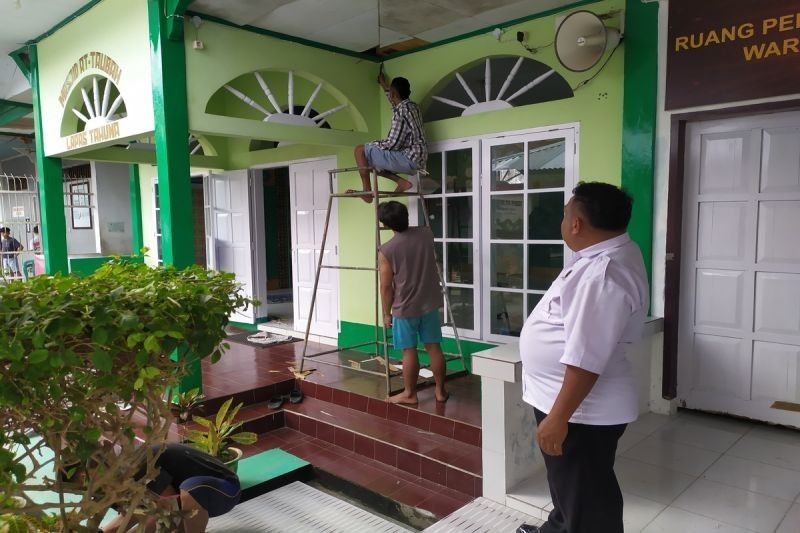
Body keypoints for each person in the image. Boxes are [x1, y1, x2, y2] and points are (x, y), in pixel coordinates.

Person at [516, 182, 649, 533]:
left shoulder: (603, 274)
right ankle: (557, 528)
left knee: (588, 499)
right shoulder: (605, 255)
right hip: (570, 403)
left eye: (564, 214)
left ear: (576, 224)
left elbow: (586, 358)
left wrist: (559, 418)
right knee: (570, 486)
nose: (562, 221)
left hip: (580, 412)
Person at [378, 201, 448, 404]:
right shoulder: (426, 234)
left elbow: (386, 286)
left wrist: (386, 313)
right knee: (434, 347)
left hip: (405, 307)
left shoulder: (387, 250)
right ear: (407, 216)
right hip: (430, 304)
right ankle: (440, 392)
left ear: (386, 224)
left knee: (408, 351)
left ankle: (409, 394)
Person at [102, 443, 240, 533]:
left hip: (226, 489)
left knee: (187, 492)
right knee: (151, 509)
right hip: (194, 498)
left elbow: (171, 508)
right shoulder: (124, 478)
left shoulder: (138, 468)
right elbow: (127, 516)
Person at [350, 73, 427, 203]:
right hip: (418, 158)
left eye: (390, 93)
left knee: (360, 150)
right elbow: (395, 101)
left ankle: (367, 192)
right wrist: (384, 85)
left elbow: (393, 143)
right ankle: (401, 182)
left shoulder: (400, 112)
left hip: (409, 158)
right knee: (367, 162)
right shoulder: (413, 106)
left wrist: (371, 144)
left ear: (393, 94)